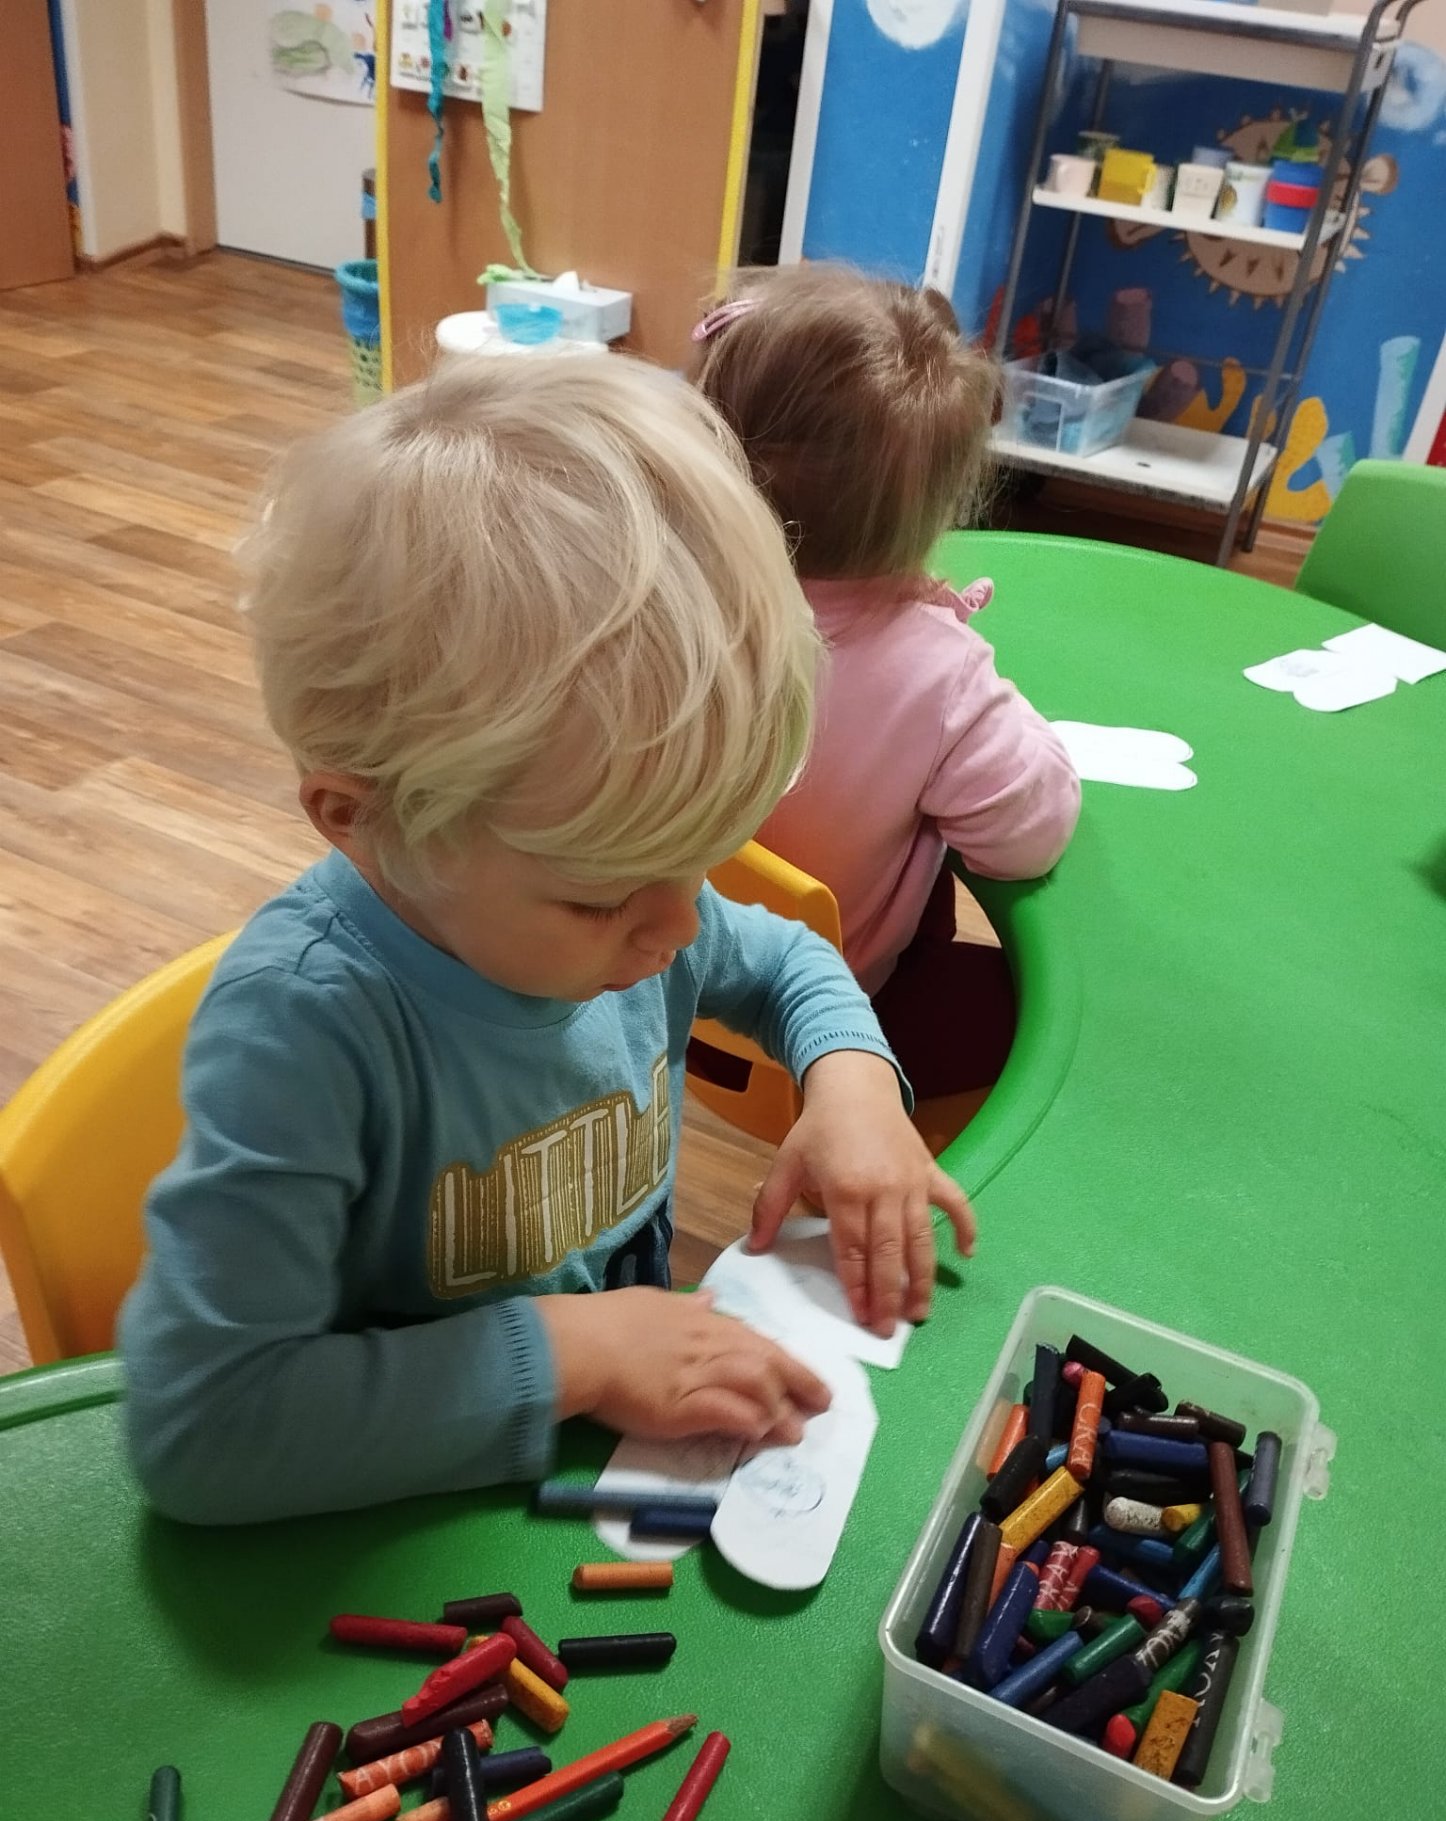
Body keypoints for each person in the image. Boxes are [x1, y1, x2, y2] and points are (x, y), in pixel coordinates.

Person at [119, 353, 974, 1525]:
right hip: (401, 1527)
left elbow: (784, 960)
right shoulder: (303, 1034)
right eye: (601, 899)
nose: (678, 929)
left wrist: (855, 1085)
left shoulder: (632, 909)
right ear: (363, 820)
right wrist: (577, 1351)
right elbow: (201, 1430)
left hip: (592, 1455)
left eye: (698, 864)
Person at [691, 266, 1081, 1097]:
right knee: (1061, 1022)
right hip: (822, 1026)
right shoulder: (941, 675)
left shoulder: (660, 590)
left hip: (651, 979)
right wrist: (1000, 702)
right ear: (936, 508)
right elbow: (1028, 837)